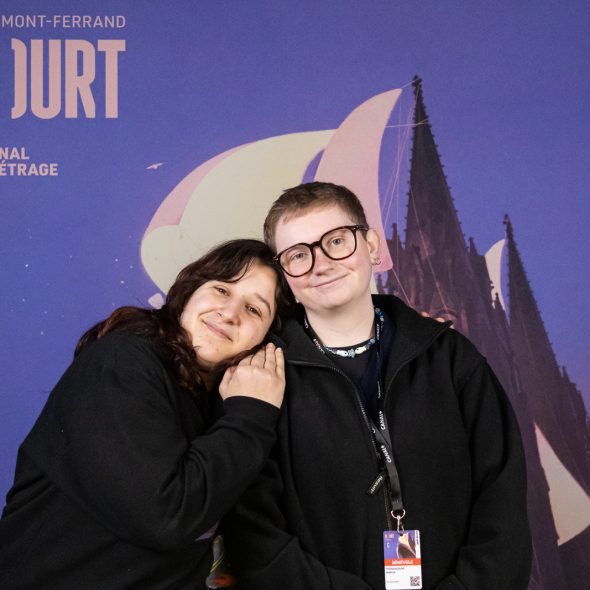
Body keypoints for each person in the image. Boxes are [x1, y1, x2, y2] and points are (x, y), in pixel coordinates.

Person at [223, 182, 532, 590]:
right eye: (298, 254)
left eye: (337, 241)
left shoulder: (451, 358)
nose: (321, 264)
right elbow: (255, 536)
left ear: (371, 246)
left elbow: (503, 503)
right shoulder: (263, 378)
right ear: (284, 276)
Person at [0, 239, 290, 590]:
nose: (230, 313)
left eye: (254, 309)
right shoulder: (123, 362)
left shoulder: (218, 402)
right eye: (221, 289)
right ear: (189, 292)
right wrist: (251, 415)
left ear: (266, 341)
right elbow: (166, 516)